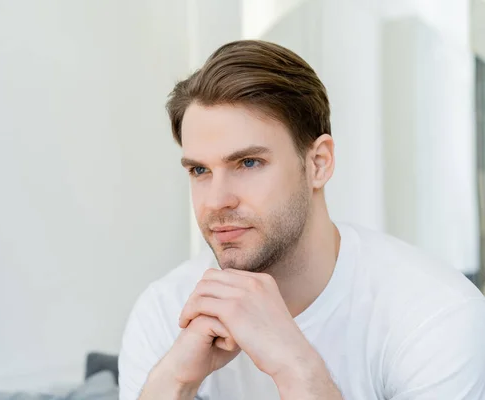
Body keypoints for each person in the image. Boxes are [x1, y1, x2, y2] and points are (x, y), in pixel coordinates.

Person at [117, 40, 485, 400]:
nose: (216, 200)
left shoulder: (436, 314)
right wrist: (176, 383)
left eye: (248, 163)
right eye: (200, 170)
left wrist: (295, 366)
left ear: (318, 164)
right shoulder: (166, 311)